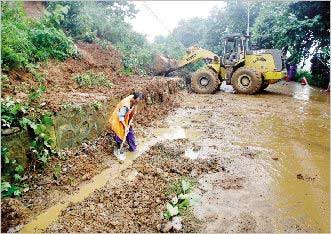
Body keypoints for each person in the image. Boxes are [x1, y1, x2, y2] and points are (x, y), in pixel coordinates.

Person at [108, 92, 144, 160]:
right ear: (133, 98)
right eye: (136, 102)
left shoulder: (134, 100)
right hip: (118, 120)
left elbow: (133, 109)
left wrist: (128, 124)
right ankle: (119, 149)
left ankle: (133, 148)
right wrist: (125, 127)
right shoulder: (125, 105)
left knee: (130, 133)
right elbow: (120, 118)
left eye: (138, 102)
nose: (137, 103)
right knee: (119, 136)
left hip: (125, 119)